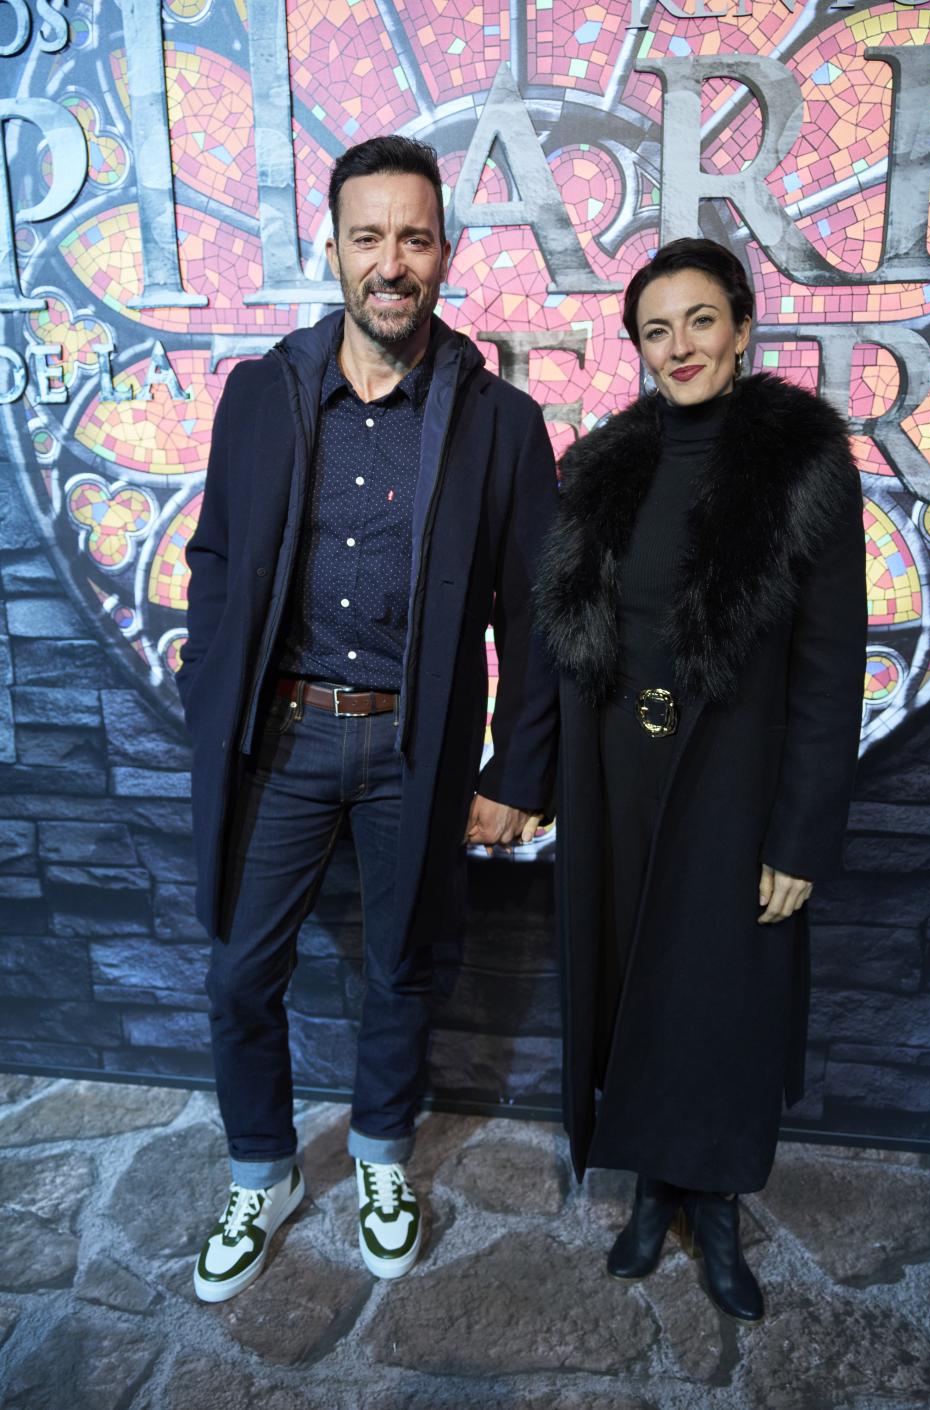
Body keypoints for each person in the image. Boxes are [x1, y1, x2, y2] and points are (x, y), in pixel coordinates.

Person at [177, 135, 557, 1301]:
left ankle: (383, 1160)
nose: (390, 262)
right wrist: (211, 698)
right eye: (367, 237)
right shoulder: (262, 390)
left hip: (415, 746)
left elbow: (537, 615)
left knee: (398, 968)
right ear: (331, 248)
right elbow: (216, 557)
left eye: (414, 238)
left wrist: (516, 771)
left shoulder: (501, 421)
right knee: (243, 972)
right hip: (280, 739)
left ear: (445, 252)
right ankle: (262, 1168)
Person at [534, 237, 866, 1322]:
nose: (678, 347)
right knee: (630, 978)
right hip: (615, 775)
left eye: (699, 321)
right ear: (636, 347)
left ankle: (712, 1200)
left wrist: (801, 835)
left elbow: (828, 666)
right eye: (655, 330)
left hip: (733, 784)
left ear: (741, 327)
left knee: (721, 993)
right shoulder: (601, 469)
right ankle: (649, 1186)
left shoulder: (803, 464)